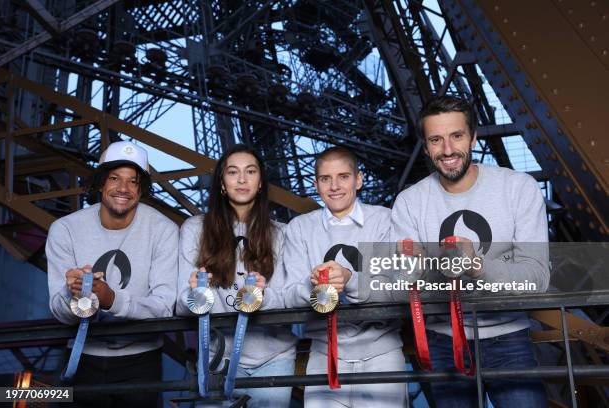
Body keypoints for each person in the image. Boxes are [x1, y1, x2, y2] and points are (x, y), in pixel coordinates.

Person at [391, 95, 549, 407]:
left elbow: (537, 278)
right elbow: (399, 282)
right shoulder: (409, 203)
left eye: (457, 136)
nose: (447, 150)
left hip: (509, 339)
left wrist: (477, 266)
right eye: (436, 140)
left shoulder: (518, 188)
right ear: (425, 147)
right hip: (441, 341)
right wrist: (415, 270)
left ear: (473, 137)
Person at [46, 141, 178, 407]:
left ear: (142, 190)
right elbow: (59, 312)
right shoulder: (65, 229)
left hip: (142, 360)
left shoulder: (163, 230)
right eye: (114, 178)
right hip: (81, 358)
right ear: (100, 183)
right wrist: (74, 297)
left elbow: (165, 308)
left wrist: (110, 299)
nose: (123, 189)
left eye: (133, 181)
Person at [282, 146, 406, 408]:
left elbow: (393, 286)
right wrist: (314, 287)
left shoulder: (384, 220)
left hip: (381, 353)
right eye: (326, 179)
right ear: (316, 185)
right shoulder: (300, 229)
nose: (335, 186)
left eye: (344, 177)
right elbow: (290, 293)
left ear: (358, 179)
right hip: (323, 354)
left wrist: (349, 279)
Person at [176, 144, 296, 408]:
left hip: (273, 360)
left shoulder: (283, 233)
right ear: (222, 182)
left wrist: (262, 297)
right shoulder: (195, 229)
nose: (242, 179)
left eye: (250, 171)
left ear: (261, 182)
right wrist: (195, 295)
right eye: (233, 172)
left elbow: (291, 299)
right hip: (216, 359)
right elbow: (179, 305)